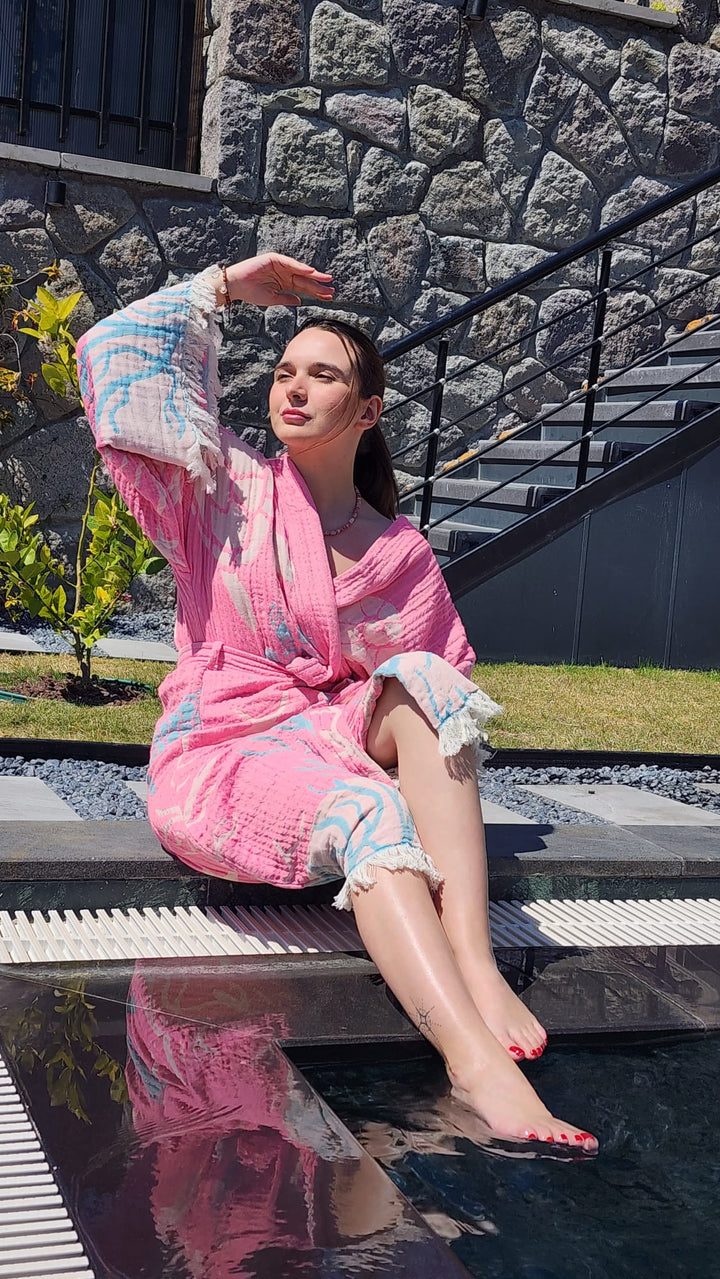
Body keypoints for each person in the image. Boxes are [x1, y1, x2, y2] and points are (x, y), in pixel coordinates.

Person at [76, 253, 597, 1153]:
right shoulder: (222, 490)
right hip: (223, 749)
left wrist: (373, 709)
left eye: (322, 374)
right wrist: (226, 287)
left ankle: (471, 957)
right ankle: (475, 1065)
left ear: (367, 411)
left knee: (430, 683)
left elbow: (447, 702)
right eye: (284, 371)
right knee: (367, 806)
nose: (294, 388)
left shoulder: (399, 553)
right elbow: (110, 355)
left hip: (318, 736)